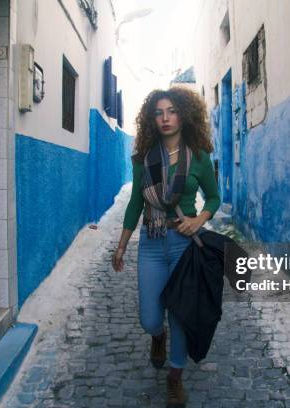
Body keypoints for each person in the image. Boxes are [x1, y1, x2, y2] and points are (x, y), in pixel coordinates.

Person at [111, 86, 220, 407]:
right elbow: (134, 204)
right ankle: (157, 338)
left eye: (171, 111)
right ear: (151, 118)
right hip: (151, 242)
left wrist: (200, 219)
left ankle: (175, 377)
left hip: (184, 243)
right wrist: (121, 246)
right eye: (158, 113)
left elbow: (214, 197)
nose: (166, 118)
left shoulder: (198, 156)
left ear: (183, 115)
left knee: (180, 314)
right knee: (149, 318)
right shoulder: (143, 158)